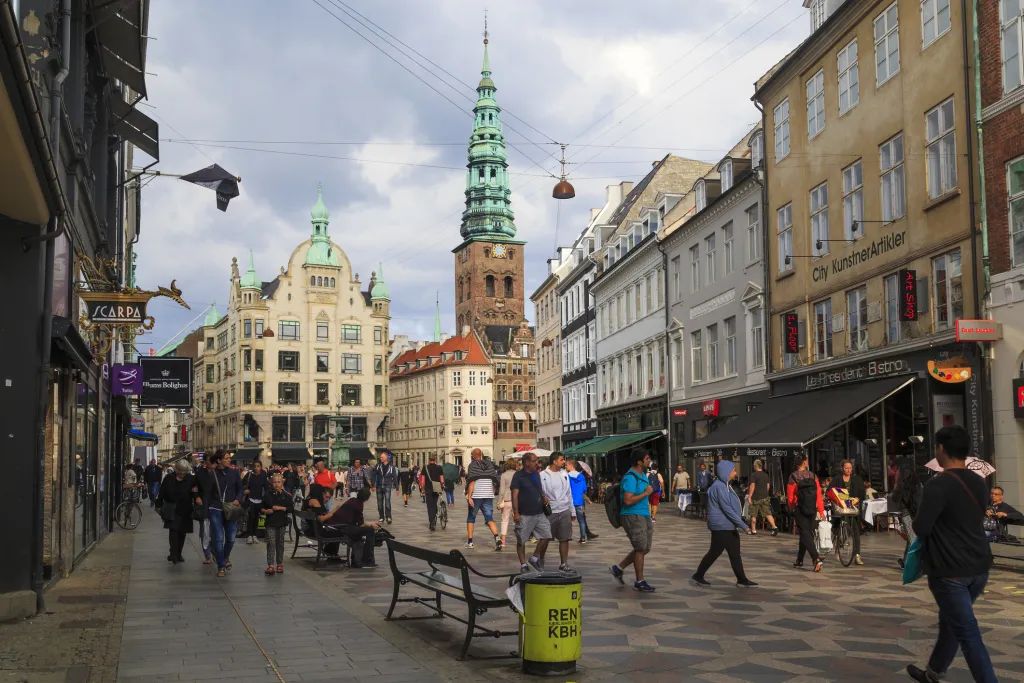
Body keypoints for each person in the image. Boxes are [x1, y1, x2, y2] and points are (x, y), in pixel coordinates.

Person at [906, 427, 996, 683]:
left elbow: (921, 527)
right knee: (951, 620)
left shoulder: (938, 484)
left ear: (942, 449)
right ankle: (933, 672)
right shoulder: (979, 482)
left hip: (950, 569)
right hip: (979, 566)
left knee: (967, 632)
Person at [691, 460, 757, 587]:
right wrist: (744, 526)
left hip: (726, 525)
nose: (735, 473)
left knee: (730, 553)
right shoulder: (719, 487)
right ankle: (699, 575)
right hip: (722, 526)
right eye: (733, 470)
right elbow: (727, 509)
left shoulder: (723, 485)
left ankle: (741, 579)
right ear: (726, 472)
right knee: (718, 553)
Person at [610, 450, 656, 592]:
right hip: (632, 515)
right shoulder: (630, 477)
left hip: (644, 514)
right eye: (647, 458)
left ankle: (618, 568)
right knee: (640, 548)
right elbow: (628, 500)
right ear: (639, 462)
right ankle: (639, 581)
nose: (649, 461)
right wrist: (646, 493)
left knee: (645, 548)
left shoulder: (642, 475)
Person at [194, 450, 243, 577]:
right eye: (226, 458)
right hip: (215, 509)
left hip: (231, 508)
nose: (229, 460)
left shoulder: (234, 473)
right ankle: (221, 566)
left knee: (231, 538)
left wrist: (238, 499)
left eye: (229, 458)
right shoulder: (213, 474)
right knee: (218, 538)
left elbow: (240, 489)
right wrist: (206, 511)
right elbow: (207, 494)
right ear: (219, 460)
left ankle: (224, 557)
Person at [316, 487, 380, 568]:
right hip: (340, 528)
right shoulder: (359, 504)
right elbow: (361, 524)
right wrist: (371, 525)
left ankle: (357, 559)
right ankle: (367, 560)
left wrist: (370, 523)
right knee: (369, 531)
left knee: (358, 532)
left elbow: (356, 521)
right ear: (367, 498)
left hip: (333, 525)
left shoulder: (352, 500)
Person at [511, 452, 551, 572]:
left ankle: (534, 557)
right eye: (534, 461)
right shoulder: (518, 476)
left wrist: (543, 497)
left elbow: (539, 489)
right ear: (527, 462)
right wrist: (516, 512)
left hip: (539, 512)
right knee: (521, 540)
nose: (537, 463)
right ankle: (523, 564)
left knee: (546, 535)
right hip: (524, 514)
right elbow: (514, 495)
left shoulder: (536, 474)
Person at [786, 453, 825, 573]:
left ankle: (816, 558)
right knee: (806, 533)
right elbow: (818, 494)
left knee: (804, 533)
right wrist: (821, 511)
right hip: (812, 508)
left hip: (800, 508)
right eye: (807, 460)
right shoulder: (813, 476)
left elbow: (790, 496)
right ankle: (799, 560)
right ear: (804, 462)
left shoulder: (793, 477)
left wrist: (791, 508)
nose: (808, 462)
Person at [540, 452, 576, 571]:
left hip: (564, 509)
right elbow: (539, 492)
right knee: (545, 538)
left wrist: (572, 511)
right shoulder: (543, 475)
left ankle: (564, 563)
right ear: (554, 461)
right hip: (550, 511)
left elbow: (569, 493)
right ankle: (540, 560)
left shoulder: (564, 474)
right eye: (561, 460)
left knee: (565, 538)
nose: (564, 462)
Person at [157, 460, 196, 564]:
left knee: (182, 532)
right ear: (176, 470)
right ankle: (173, 553)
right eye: (180, 471)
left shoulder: (191, 479)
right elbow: (162, 492)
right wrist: (158, 504)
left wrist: (196, 498)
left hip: (185, 509)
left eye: (184, 472)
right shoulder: (169, 478)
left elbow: (195, 492)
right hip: (172, 508)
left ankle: (178, 553)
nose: (182, 474)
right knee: (173, 531)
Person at [465, 448, 501, 551]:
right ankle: (497, 538)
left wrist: (469, 496)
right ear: (480, 455)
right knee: (489, 518)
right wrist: (492, 491)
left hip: (476, 496)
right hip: (488, 495)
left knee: (471, 518)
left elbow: (472, 481)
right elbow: (495, 480)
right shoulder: (489, 465)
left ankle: (470, 542)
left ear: (473, 456)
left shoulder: (472, 465)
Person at [833, 458, 866, 565]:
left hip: (853, 508)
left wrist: (857, 499)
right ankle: (839, 545)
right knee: (842, 528)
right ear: (842, 468)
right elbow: (831, 490)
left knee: (856, 531)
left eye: (850, 468)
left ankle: (857, 555)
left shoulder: (857, 479)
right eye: (846, 468)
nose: (848, 470)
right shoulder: (837, 479)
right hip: (841, 508)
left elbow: (862, 493)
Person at [890, 463, 924, 569]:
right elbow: (919, 501)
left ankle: (906, 561)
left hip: (906, 514)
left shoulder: (902, 485)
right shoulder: (917, 484)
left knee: (911, 538)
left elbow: (895, 499)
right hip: (913, 514)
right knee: (912, 538)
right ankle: (910, 563)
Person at [261, 474, 292, 575]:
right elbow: (261, 508)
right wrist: (266, 511)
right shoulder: (267, 494)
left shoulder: (287, 495)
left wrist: (280, 508)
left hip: (282, 522)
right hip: (270, 522)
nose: (277, 484)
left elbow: (290, 508)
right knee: (271, 542)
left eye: (279, 482)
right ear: (271, 483)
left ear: (282, 483)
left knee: (280, 543)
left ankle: (279, 563)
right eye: (274, 482)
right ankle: (270, 565)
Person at [567, 458, 597, 543]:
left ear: (571, 465)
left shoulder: (567, 476)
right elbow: (584, 489)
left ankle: (568, 536)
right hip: (580, 501)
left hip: (570, 500)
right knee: (581, 520)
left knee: (568, 520)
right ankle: (583, 538)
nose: (566, 466)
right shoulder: (581, 476)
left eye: (567, 465)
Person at [745, 459, 779, 536]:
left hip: (755, 497)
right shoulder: (766, 475)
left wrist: (750, 496)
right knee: (767, 513)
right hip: (765, 497)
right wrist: (764, 493)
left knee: (753, 514)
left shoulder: (754, 475)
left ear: (755, 466)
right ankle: (774, 527)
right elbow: (768, 486)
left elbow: (752, 486)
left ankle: (753, 530)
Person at [242, 459, 268, 545]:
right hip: (250, 499)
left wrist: (266, 498)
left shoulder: (263, 475)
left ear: (261, 467)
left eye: (258, 466)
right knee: (251, 517)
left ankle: (255, 535)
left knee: (257, 518)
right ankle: (249, 535)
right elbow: (242, 484)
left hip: (259, 500)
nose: (256, 468)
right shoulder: (249, 475)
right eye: (255, 466)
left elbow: (266, 487)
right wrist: (245, 490)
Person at [371, 451, 399, 524]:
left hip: (387, 486)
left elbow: (395, 477)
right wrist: (373, 485)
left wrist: (397, 488)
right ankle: (381, 517)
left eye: (382, 457)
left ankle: (388, 517)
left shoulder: (391, 467)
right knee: (379, 503)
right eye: (380, 457)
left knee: (387, 502)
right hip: (379, 486)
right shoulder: (378, 466)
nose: (380, 458)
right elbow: (373, 475)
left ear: (386, 458)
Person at [422, 454, 445, 531]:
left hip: (428, 488)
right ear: (435, 460)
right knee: (434, 504)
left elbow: (423, 479)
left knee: (430, 506)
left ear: (429, 460)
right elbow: (441, 478)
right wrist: (442, 485)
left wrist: (422, 489)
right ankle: (434, 519)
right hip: (437, 486)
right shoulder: (439, 467)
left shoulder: (425, 467)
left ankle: (432, 522)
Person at [497, 460, 516, 548]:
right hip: (517, 500)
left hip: (507, 500)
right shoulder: (518, 474)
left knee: (504, 520)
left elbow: (501, 490)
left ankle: (503, 541)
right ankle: (521, 538)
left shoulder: (504, 475)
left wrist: (499, 502)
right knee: (518, 520)